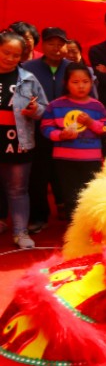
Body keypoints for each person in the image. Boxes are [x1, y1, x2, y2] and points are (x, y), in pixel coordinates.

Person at [40, 62, 106, 221]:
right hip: (65, 159)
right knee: (70, 195)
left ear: (91, 83)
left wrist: (91, 123)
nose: (81, 86)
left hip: (91, 159)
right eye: (75, 82)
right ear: (66, 83)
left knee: (90, 194)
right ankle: (73, 227)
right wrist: (60, 135)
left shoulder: (97, 106)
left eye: (85, 82)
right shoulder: (56, 105)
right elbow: (45, 127)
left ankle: (89, 226)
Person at [0, 31, 47, 248]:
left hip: (18, 142)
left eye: (15, 55)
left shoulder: (28, 78)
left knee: (18, 190)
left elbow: (44, 108)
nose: (10, 58)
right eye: (5, 52)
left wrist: (35, 110)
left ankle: (20, 232)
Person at [21, 27, 69, 230]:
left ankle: (68, 211)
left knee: (65, 173)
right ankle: (39, 217)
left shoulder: (73, 68)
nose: (56, 48)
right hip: (37, 129)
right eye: (51, 43)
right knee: (37, 175)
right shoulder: (28, 68)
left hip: (67, 132)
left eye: (60, 44)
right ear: (43, 44)